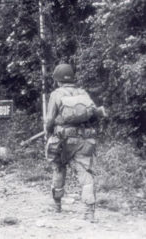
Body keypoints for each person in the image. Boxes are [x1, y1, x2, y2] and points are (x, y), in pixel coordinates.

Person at [45, 64, 107, 222]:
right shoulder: (83, 93)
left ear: (57, 80)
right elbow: (93, 115)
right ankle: (89, 212)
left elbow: (49, 120)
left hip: (61, 139)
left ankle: (57, 205)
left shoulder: (56, 94)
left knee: (58, 169)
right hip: (84, 139)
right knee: (85, 173)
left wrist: (48, 132)